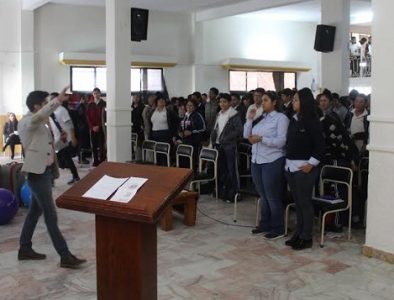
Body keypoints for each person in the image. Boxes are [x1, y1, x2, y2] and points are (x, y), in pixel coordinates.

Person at [17, 86, 86, 268]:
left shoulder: (40, 124)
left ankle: (24, 248)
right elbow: (39, 117)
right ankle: (65, 255)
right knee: (50, 213)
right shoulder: (27, 122)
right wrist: (58, 100)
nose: (49, 107)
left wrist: (60, 141)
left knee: (35, 211)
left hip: (44, 171)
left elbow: (44, 147)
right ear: (36, 106)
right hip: (36, 174)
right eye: (46, 104)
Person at [244, 91, 289, 239]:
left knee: (272, 196)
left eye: (265, 100)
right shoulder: (261, 118)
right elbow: (246, 135)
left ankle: (278, 227)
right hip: (257, 160)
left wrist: (262, 139)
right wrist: (249, 119)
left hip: (272, 160)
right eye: (262, 100)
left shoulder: (281, 118)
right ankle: (265, 223)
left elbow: (281, 141)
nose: (262, 103)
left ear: (274, 102)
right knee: (263, 195)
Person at [284, 88, 325, 250]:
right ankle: (298, 234)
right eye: (293, 99)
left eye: (296, 99)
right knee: (297, 203)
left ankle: (306, 237)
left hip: (304, 168)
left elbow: (320, 146)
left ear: (304, 102)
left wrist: (310, 164)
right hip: (290, 167)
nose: (293, 102)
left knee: (305, 203)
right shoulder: (294, 119)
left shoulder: (312, 120)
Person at [211, 93, 243, 202]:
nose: (222, 104)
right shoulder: (219, 114)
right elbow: (216, 129)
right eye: (220, 102)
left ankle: (235, 192)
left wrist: (226, 138)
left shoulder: (234, 114)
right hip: (219, 145)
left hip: (230, 146)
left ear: (229, 103)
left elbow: (238, 130)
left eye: (224, 102)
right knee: (223, 169)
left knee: (232, 169)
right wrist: (213, 141)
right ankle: (224, 191)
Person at [49, 92, 80, 184]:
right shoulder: (52, 111)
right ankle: (75, 176)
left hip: (65, 140)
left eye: (53, 99)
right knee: (64, 159)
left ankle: (52, 179)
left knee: (59, 159)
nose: (51, 101)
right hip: (57, 139)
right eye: (50, 99)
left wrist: (73, 137)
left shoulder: (62, 110)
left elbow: (70, 124)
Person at [149, 94, 179, 166]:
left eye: (163, 100)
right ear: (156, 102)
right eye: (160, 100)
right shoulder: (153, 111)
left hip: (165, 135)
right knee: (157, 153)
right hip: (155, 135)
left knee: (165, 154)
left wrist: (174, 135)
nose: (161, 102)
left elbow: (176, 122)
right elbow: (150, 123)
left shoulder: (169, 112)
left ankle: (166, 167)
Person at [177, 99, 206, 169]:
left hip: (194, 142)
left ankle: (193, 175)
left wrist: (192, 132)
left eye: (191, 105)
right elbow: (180, 126)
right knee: (185, 160)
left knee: (193, 161)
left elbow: (203, 128)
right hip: (185, 141)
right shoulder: (185, 116)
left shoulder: (197, 115)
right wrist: (179, 132)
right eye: (187, 105)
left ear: (195, 107)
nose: (189, 107)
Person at [86, 87, 106, 166]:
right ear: (92, 94)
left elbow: (104, 117)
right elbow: (87, 117)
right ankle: (95, 161)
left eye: (98, 93)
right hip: (92, 128)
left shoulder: (104, 103)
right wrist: (92, 127)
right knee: (93, 145)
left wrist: (99, 126)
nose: (96, 95)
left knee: (101, 144)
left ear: (100, 94)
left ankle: (102, 160)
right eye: (94, 93)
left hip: (101, 127)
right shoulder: (90, 104)